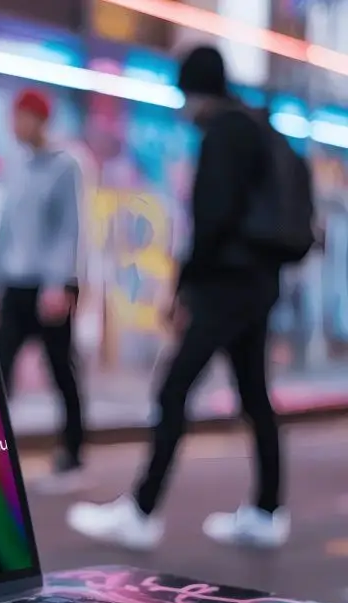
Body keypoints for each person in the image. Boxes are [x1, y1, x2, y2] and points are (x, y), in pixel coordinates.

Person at [68, 46, 291, 550]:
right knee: (254, 395)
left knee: (173, 390)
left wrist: (184, 288)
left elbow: (211, 220)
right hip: (257, 285)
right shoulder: (257, 127)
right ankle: (268, 511)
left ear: (194, 91)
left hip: (225, 287)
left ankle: (143, 512)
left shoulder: (224, 135)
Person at [0, 88, 86, 493]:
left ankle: (74, 452)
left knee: (62, 369)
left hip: (50, 288)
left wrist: (58, 286)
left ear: (38, 119)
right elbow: (4, 232)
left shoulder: (65, 167)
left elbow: (69, 230)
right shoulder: (17, 167)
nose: (14, 125)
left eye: (21, 117)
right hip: (15, 284)